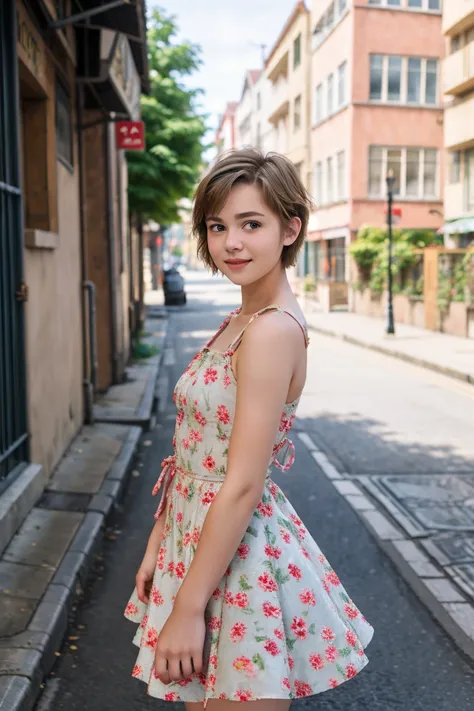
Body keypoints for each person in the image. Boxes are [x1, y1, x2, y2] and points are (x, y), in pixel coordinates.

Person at [124, 148, 374, 709]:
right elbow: (191, 455)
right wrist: (156, 544)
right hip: (199, 544)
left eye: (251, 224)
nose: (231, 242)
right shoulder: (241, 320)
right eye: (218, 226)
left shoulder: (271, 332)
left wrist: (188, 607)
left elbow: (241, 483)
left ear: (291, 229)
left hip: (235, 559)